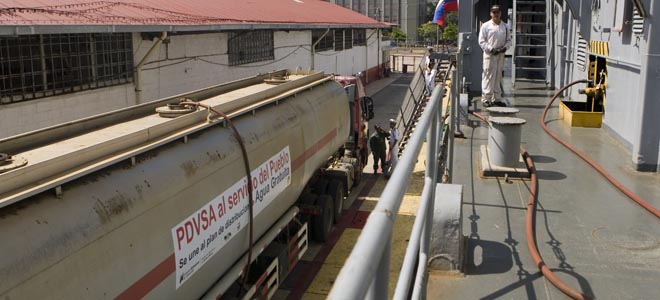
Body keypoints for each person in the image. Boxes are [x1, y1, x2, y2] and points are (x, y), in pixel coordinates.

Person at [479, 4, 511, 107]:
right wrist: (491, 49)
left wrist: (505, 48)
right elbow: (482, 41)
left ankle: (496, 98)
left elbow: (509, 41)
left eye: (497, 12)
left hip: (500, 55)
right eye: (494, 12)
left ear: (500, 13)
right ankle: (486, 98)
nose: (496, 14)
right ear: (491, 13)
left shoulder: (505, 26)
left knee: (498, 76)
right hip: (490, 55)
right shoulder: (486, 26)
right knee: (488, 76)